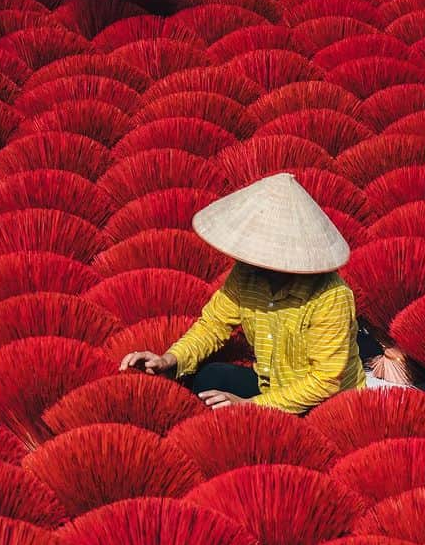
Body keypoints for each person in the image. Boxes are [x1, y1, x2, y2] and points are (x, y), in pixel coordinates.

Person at [120, 172, 368, 414]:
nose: (248, 260)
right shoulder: (246, 274)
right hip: (269, 386)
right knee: (210, 378)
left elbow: (324, 381)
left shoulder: (331, 296)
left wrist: (249, 406)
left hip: (324, 405)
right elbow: (213, 325)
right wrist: (170, 359)